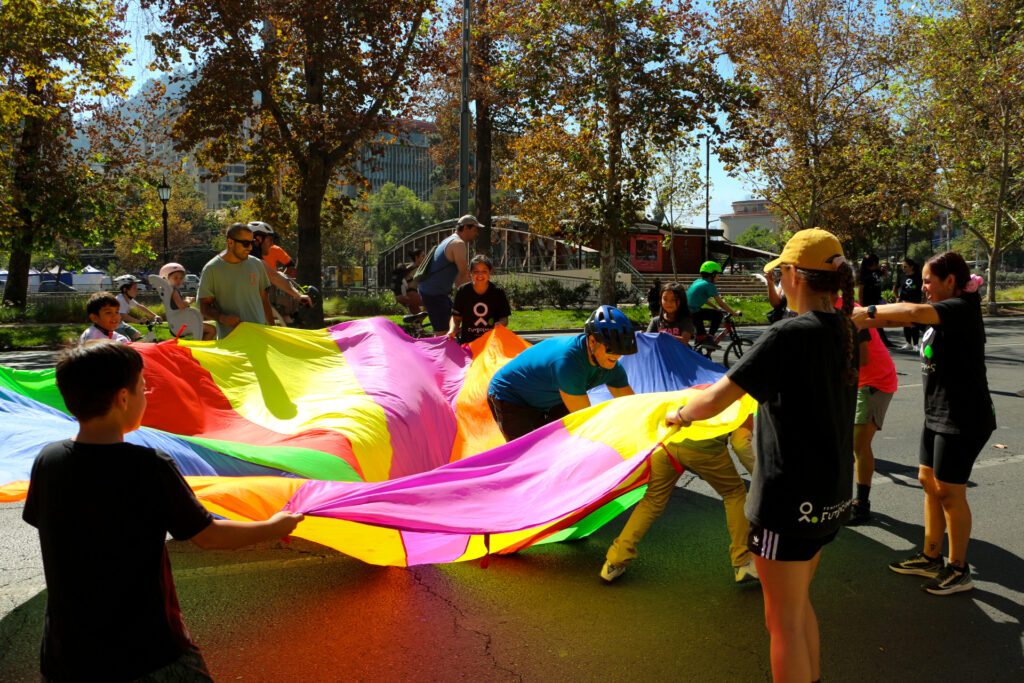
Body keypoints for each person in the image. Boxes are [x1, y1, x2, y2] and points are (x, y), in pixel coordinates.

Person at [22, 341, 303, 681]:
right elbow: (209, 536)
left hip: (66, 655)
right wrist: (275, 526)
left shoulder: (48, 460)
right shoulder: (149, 467)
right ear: (123, 399)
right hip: (147, 653)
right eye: (144, 388)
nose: (146, 396)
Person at [667, 228, 858, 683]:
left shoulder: (788, 334)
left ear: (792, 275)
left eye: (778, 273)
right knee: (797, 608)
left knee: (782, 622)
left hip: (787, 501)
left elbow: (715, 400)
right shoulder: (843, 328)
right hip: (828, 496)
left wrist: (678, 413)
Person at [851, 251, 995, 595]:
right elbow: (898, 318)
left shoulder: (960, 309)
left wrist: (865, 312)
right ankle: (931, 556)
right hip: (938, 414)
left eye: (929, 281)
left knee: (949, 492)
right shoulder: (939, 313)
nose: (924, 287)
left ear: (950, 282)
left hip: (965, 417)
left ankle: (959, 568)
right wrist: (855, 319)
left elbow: (912, 311)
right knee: (927, 481)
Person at [601, 417, 759, 584]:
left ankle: (614, 562)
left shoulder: (700, 389)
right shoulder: (742, 401)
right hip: (705, 451)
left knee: (652, 500)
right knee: (734, 493)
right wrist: (760, 476)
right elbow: (740, 445)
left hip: (668, 445)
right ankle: (743, 563)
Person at [487, 305, 637, 442]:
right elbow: (587, 419)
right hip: (510, 395)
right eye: (610, 348)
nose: (616, 356)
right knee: (526, 453)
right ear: (592, 341)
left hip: (548, 397)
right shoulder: (568, 363)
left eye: (621, 349)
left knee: (561, 444)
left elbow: (632, 407)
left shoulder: (611, 366)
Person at [842, 298, 897, 525]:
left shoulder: (851, 312)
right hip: (854, 382)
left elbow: (862, 358)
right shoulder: (823, 307)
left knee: (858, 445)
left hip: (874, 382)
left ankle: (861, 505)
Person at [198, 223, 274, 339]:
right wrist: (223, 318)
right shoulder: (211, 269)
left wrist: (272, 330)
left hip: (259, 339)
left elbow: (264, 300)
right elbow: (204, 307)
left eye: (252, 243)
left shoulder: (256, 264)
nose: (250, 248)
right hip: (230, 342)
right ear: (230, 242)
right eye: (245, 244)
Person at [417, 215, 481, 333]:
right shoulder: (458, 244)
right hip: (434, 293)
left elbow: (458, 278)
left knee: (454, 322)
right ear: (466, 228)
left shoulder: (449, 240)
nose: (476, 233)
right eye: (475, 230)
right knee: (444, 334)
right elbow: (464, 274)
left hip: (435, 291)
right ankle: (439, 349)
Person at [247, 221, 312, 323]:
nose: (272, 244)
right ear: (258, 239)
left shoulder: (250, 252)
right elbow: (274, 276)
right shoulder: (251, 254)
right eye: (270, 239)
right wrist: (298, 295)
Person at [447, 255, 511, 344]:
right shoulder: (463, 291)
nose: (480, 275)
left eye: (484, 271)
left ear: (490, 272)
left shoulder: (497, 292)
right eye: (476, 271)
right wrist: (452, 330)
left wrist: (500, 324)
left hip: (491, 344)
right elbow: (456, 318)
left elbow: (504, 318)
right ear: (470, 272)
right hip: (468, 343)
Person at [687, 261, 741, 348]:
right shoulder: (709, 285)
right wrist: (734, 313)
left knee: (701, 337)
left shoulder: (698, 281)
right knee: (718, 315)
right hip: (694, 313)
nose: (718, 277)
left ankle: (701, 345)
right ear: (712, 274)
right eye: (718, 275)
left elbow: (703, 299)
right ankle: (709, 338)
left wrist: (715, 307)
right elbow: (722, 303)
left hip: (688, 311)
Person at [158, 262, 217, 340]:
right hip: (182, 324)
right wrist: (189, 300)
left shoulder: (168, 291)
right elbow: (181, 306)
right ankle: (201, 349)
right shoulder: (174, 290)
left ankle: (200, 346)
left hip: (177, 323)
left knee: (207, 330)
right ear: (166, 278)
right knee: (212, 330)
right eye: (175, 278)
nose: (179, 280)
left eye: (181, 278)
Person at [858, 254, 894, 348]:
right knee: (873, 321)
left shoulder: (875, 271)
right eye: (876, 263)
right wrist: (861, 304)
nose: (877, 265)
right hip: (868, 301)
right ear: (873, 263)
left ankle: (882, 340)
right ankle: (879, 340)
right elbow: (861, 289)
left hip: (876, 299)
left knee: (878, 320)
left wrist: (884, 269)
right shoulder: (864, 274)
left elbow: (884, 274)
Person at [113, 275, 161, 342]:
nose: (137, 290)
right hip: (114, 326)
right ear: (125, 289)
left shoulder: (129, 299)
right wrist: (138, 321)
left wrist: (155, 315)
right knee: (126, 342)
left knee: (137, 335)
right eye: (134, 288)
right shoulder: (120, 299)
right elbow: (123, 315)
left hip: (121, 324)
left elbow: (140, 307)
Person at [896, 257, 923, 350]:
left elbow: (924, 289)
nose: (903, 268)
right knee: (906, 323)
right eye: (903, 267)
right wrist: (897, 297)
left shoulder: (918, 277)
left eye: (905, 266)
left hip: (916, 303)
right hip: (904, 303)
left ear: (911, 267)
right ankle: (908, 343)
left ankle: (916, 344)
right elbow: (895, 287)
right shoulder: (902, 277)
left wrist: (925, 300)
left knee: (915, 324)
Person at [395, 249, 425, 314]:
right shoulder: (417, 270)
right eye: (422, 256)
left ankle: (416, 323)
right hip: (410, 294)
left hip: (400, 295)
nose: (425, 258)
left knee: (416, 316)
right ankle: (419, 321)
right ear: (416, 258)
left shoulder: (408, 266)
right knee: (432, 302)